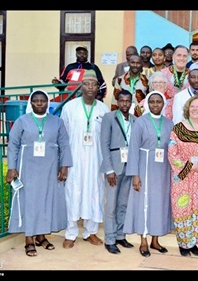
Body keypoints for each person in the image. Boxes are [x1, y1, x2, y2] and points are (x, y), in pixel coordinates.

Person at [6, 90, 73, 257]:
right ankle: (29, 238)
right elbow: (13, 145)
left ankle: (41, 236)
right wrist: (12, 167)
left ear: (47, 103)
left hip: (50, 168)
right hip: (27, 168)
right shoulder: (22, 121)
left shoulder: (57, 122)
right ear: (31, 103)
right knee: (30, 201)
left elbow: (64, 144)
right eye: (36, 101)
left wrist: (64, 166)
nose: (40, 104)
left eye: (43, 101)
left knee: (46, 201)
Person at [60, 69, 110, 249]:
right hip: (74, 160)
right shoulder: (69, 107)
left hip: (96, 161)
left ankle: (91, 232)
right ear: (81, 86)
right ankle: (71, 233)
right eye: (86, 84)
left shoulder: (103, 109)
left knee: (95, 194)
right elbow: (63, 136)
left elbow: (107, 138)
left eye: (93, 84)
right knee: (73, 193)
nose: (90, 87)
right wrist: (64, 162)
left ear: (98, 88)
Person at [123, 91, 174, 257]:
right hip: (144, 168)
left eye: (159, 102)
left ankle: (155, 240)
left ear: (163, 104)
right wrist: (134, 175)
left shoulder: (169, 123)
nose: (155, 105)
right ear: (147, 104)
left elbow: (173, 149)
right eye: (152, 102)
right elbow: (133, 149)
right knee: (143, 204)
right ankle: (143, 240)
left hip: (163, 171)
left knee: (159, 204)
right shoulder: (140, 122)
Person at [168, 96, 198, 257]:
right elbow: (172, 153)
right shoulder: (178, 129)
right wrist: (189, 166)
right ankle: (183, 244)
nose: (195, 109)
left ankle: (194, 242)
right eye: (192, 106)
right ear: (187, 108)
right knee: (183, 209)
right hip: (184, 177)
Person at [100, 89, 136, 254]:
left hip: (129, 166)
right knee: (111, 205)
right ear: (117, 101)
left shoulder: (135, 120)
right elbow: (104, 144)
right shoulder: (109, 117)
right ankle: (109, 239)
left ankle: (120, 235)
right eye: (122, 101)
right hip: (114, 167)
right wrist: (108, 169)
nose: (125, 104)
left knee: (123, 204)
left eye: (128, 101)